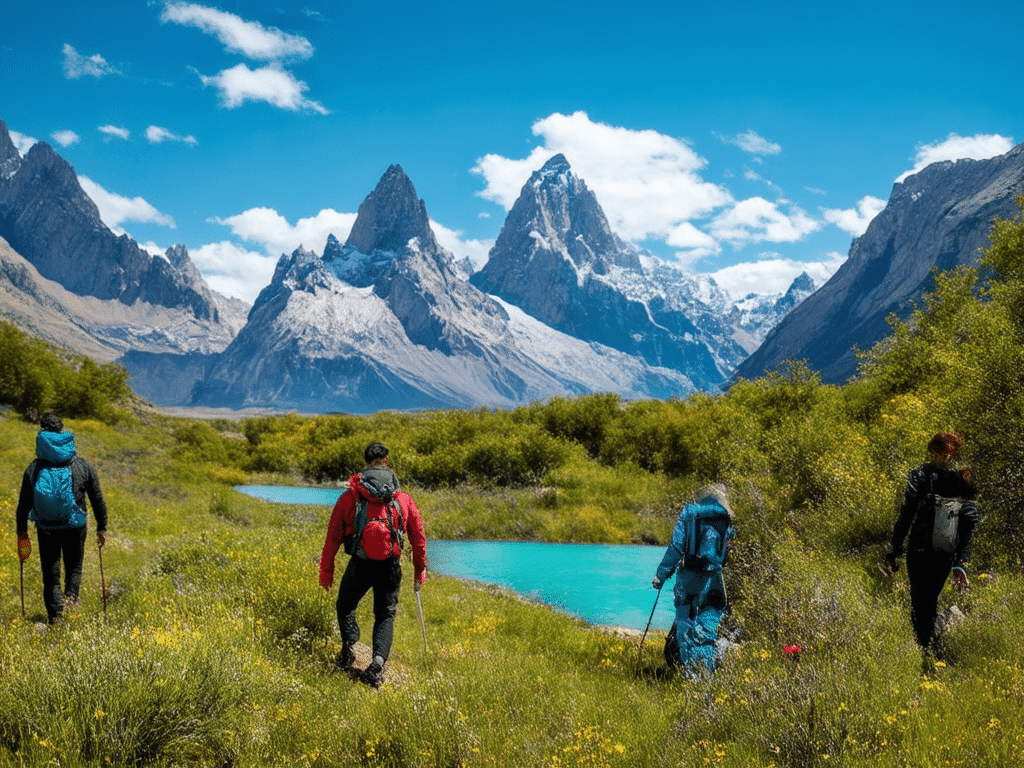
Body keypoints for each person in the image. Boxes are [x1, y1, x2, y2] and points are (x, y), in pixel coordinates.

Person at [319, 442, 427, 688]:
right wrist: (420, 569)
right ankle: (377, 665)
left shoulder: (350, 498)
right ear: (386, 461)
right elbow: (418, 537)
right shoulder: (403, 499)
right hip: (391, 565)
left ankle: (349, 650)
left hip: (360, 564)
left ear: (366, 462)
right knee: (385, 614)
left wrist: (326, 570)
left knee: (345, 605)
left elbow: (333, 537)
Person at [884, 433, 979, 651]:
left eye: (947, 452)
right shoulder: (946, 477)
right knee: (924, 601)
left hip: (933, 550)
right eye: (942, 451)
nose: (944, 456)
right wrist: (894, 548)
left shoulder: (929, 475)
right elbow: (907, 514)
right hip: (927, 550)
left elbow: (967, 522)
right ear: (935, 451)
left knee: (924, 601)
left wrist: (960, 562)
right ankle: (925, 646)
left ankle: (924, 646)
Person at [15, 413, 108, 624]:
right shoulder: (82, 466)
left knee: (51, 573)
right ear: (62, 431)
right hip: (75, 527)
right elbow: (98, 499)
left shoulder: (34, 469)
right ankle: (71, 611)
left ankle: (56, 620)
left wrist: (22, 535)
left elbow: (23, 508)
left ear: (41, 433)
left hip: (46, 527)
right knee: (74, 568)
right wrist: (102, 528)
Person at [653, 483, 735, 674]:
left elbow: (676, 547)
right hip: (714, 578)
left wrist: (661, 575)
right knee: (708, 625)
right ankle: (706, 675)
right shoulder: (725, 516)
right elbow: (727, 548)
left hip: (689, 576)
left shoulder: (689, 512)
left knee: (686, 626)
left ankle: (689, 675)